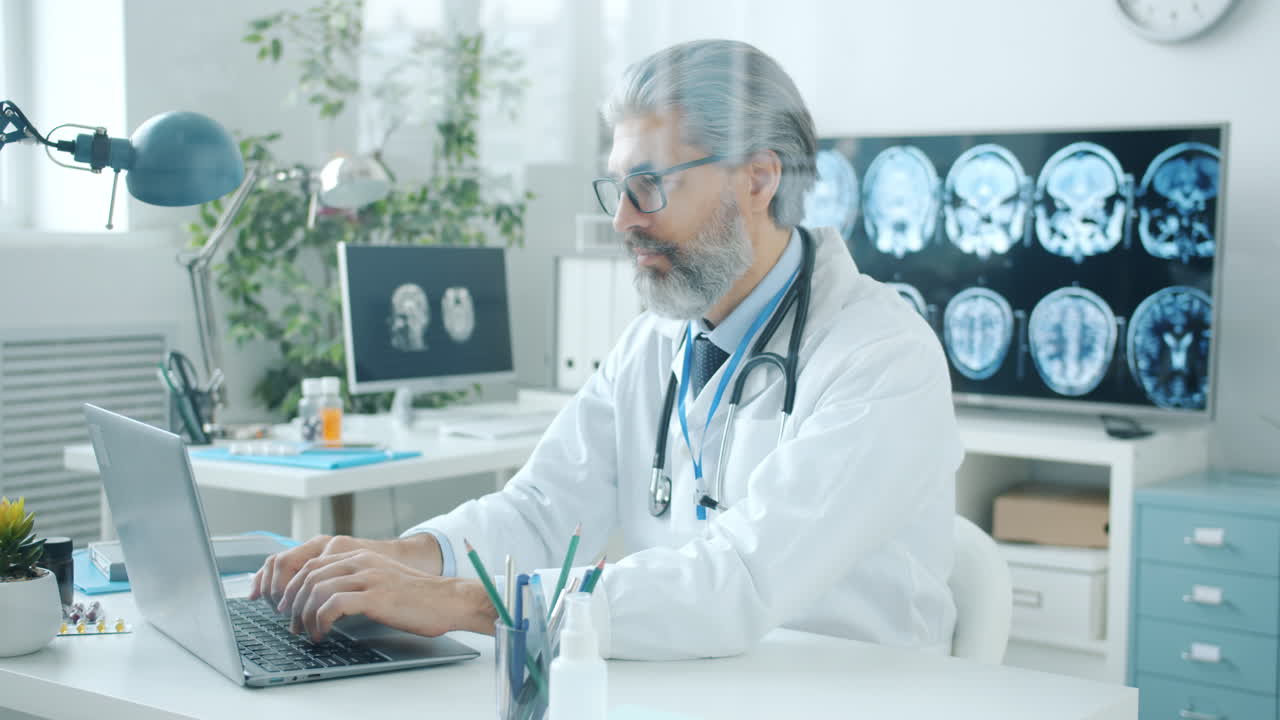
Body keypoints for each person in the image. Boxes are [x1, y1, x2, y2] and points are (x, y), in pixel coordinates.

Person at [251, 39, 962, 661]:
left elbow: (737, 583)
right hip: (695, 684)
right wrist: (402, 558)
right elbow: (539, 511)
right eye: (618, 187)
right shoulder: (657, 340)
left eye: (648, 186)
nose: (621, 219)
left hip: (851, 695)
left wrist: (468, 604)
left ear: (758, 178)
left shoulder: (881, 357)